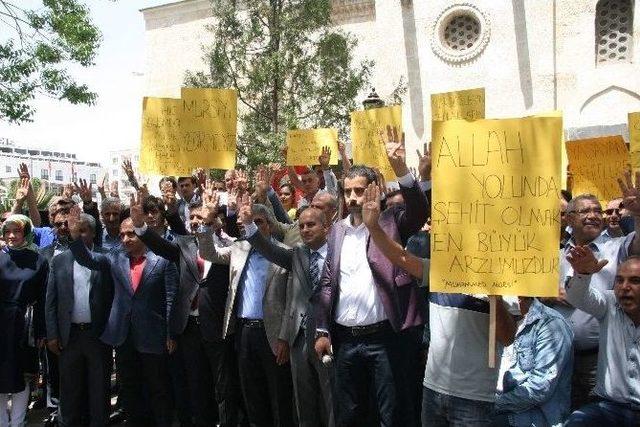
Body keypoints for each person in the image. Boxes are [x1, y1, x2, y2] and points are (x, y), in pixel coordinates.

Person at [357, 182, 516, 426]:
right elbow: (400, 257)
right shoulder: (440, 269)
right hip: (433, 390)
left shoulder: (505, 278)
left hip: (475, 398)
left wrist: (495, 298)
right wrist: (373, 227)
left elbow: (507, 337)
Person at [313, 127, 429, 426]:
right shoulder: (336, 230)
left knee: (391, 415)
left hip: (385, 341)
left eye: (359, 191)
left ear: (374, 190)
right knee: (350, 415)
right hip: (346, 342)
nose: (353, 197)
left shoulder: (391, 222)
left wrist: (401, 169)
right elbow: (327, 284)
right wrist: (322, 329)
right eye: (348, 191)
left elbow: (418, 211)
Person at [68, 211, 178, 427]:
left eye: (131, 234)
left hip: (154, 336)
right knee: (130, 388)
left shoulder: (163, 259)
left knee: (158, 389)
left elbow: (171, 297)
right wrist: (74, 236)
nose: (125, 239)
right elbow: (88, 259)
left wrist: (170, 333)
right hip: (124, 336)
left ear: (143, 234)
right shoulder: (115, 257)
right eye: (122, 235)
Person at [198, 199, 294, 427]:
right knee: (252, 395)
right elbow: (208, 252)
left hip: (273, 336)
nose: (252, 227)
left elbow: (292, 301)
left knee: (279, 396)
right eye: (247, 224)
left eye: (258, 222)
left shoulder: (285, 253)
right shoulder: (239, 249)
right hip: (243, 333)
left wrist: (285, 336)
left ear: (269, 225)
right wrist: (207, 222)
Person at [549, 179, 640, 410]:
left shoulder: (618, 247)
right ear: (569, 219)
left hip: (598, 360)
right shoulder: (557, 255)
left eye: (597, 210)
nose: (594, 215)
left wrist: (638, 215)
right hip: (557, 357)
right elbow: (533, 292)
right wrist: (548, 295)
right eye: (585, 210)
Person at [242, 203, 334, 427]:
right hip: (299, 339)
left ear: (327, 228)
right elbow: (270, 250)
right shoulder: (298, 254)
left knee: (330, 400)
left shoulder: (339, 253)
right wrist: (248, 225)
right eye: (301, 226)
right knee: (304, 401)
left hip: (329, 337)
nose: (305, 230)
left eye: (311, 225)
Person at [45, 213, 114, 427]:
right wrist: (53, 334)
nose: (77, 234)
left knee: (98, 389)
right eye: (75, 230)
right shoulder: (59, 260)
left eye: (83, 230)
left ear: (93, 233)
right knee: (69, 390)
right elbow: (51, 301)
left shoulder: (106, 258)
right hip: (69, 337)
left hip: (97, 336)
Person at [563, 246, 640, 426]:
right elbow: (578, 297)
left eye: (635, 281)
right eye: (619, 280)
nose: (624, 287)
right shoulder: (609, 302)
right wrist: (582, 273)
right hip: (609, 408)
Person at [492, 297, 574, 427]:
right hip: (497, 405)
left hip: (531, 417)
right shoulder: (492, 319)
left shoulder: (551, 324)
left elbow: (540, 388)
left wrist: (491, 403)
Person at [0, 215, 48, 427]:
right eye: (7, 231)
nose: (11, 236)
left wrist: (41, 331)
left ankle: (17, 422)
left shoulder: (39, 261)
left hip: (25, 326)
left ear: (26, 232)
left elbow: (43, 298)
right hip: (1, 325)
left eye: (17, 231)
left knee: (23, 374)